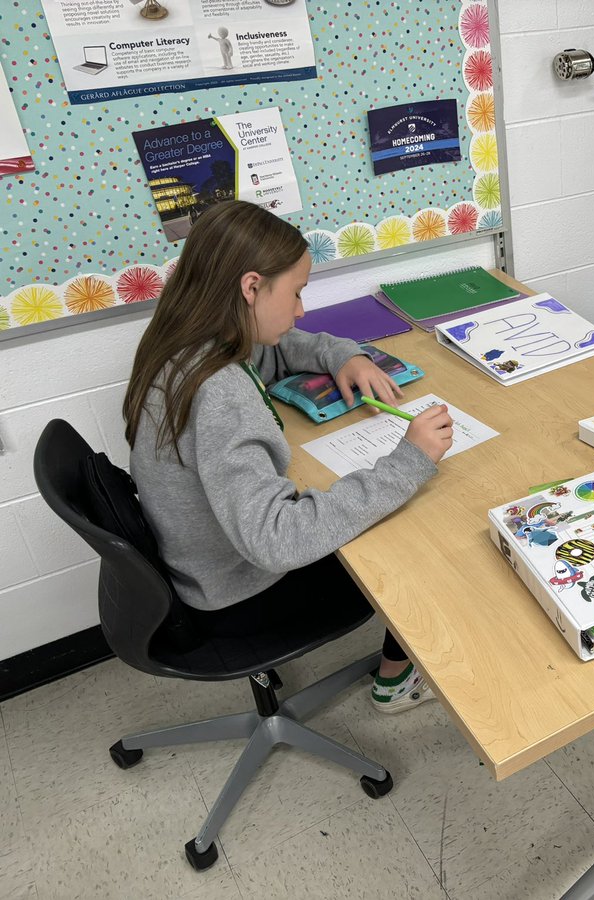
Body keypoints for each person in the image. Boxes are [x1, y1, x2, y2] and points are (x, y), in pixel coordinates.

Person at [123, 200, 454, 713]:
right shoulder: (220, 393)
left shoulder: (190, 340)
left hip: (203, 564)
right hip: (236, 593)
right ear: (251, 287)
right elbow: (278, 540)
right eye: (297, 292)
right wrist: (409, 460)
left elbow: (277, 348)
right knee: (415, 526)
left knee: (378, 500)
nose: (301, 309)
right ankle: (396, 681)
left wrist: (346, 355)